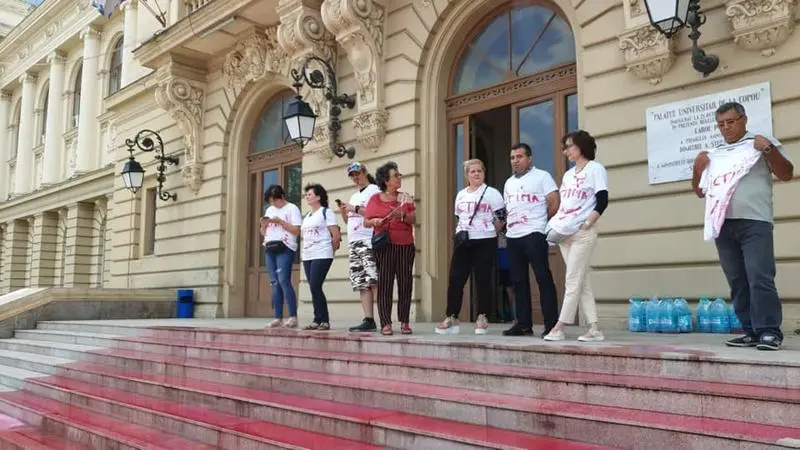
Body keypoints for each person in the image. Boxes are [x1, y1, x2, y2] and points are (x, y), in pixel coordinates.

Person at [691, 102, 793, 351]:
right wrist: (697, 168)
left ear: (743, 119)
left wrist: (767, 149)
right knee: (737, 280)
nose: (726, 128)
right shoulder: (715, 153)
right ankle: (750, 330)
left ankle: (769, 331)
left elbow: (787, 173)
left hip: (755, 221)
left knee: (760, 276)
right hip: (723, 224)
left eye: (731, 122)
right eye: (721, 124)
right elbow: (699, 192)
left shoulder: (760, 143)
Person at [543, 130, 609, 342]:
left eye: (570, 146)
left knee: (572, 280)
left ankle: (559, 326)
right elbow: (564, 205)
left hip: (583, 233)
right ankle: (595, 328)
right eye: (565, 147)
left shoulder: (595, 169)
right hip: (565, 233)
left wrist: (588, 223)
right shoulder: (568, 175)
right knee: (582, 282)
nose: (566, 151)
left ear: (581, 146)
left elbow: (602, 199)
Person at [436, 159, 505, 335]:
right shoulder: (461, 195)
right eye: (472, 171)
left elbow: (501, 218)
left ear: (484, 173)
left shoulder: (492, 193)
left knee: (483, 280)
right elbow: (460, 217)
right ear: (467, 175)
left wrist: (488, 231)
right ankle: (452, 316)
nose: (476, 174)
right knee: (456, 279)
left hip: (485, 240)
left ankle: (482, 316)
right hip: (464, 242)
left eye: (479, 171)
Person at [502, 143, 560, 337]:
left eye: (519, 157)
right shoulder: (509, 182)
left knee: (543, 278)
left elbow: (554, 202)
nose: (515, 161)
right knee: (518, 281)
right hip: (513, 236)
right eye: (512, 158)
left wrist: (541, 222)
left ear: (529, 159)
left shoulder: (542, 176)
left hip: (534, 234)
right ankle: (524, 324)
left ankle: (551, 324)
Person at [364, 161, 416, 336]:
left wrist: (401, 215)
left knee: (405, 283)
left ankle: (405, 322)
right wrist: (376, 221)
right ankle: (386, 322)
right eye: (396, 175)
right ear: (386, 181)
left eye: (399, 175)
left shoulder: (405, 197)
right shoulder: (375, 199)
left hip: (405, 245)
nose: (399, 177)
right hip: (384, 246)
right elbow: (366, 221)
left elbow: (413, 219)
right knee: (385, 284)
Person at [337, 162, 381, 332]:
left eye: (357, 173)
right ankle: (369, 319)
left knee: (374, 280)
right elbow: (349, 220)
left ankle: (384, 317)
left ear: (364, 172)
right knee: (361, 282)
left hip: (368, 240)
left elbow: (375, 213)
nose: (355, 178)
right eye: (352, 175)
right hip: (354, 242)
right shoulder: (355, 195)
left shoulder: (374, 190)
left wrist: (353, 208)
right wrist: (344, 211)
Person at [300, 183, 341, 331]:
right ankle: (317, 319)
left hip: (322, 253)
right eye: (306, 195)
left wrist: (331, 252)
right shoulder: (307, 216)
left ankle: (324, 320)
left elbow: (335, 234)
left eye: (310, 194)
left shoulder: (326, 212)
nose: (307, 197)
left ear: (318, 197)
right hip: (308, 255)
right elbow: (304, 235)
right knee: (313, 287)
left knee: (316, 285)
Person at [260, 185, 302, 329]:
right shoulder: (270, 210)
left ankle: (292, 316)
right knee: (274, 282)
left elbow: (297, 230)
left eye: (275, 201)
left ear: (282, 197)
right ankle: (277, 317)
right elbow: (263, 232)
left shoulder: (292, 208)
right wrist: (264, 225)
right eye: (271, 202)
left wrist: (281, 222)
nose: (273, 204)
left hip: (285, 247)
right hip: (270, 246)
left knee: (284, 280)